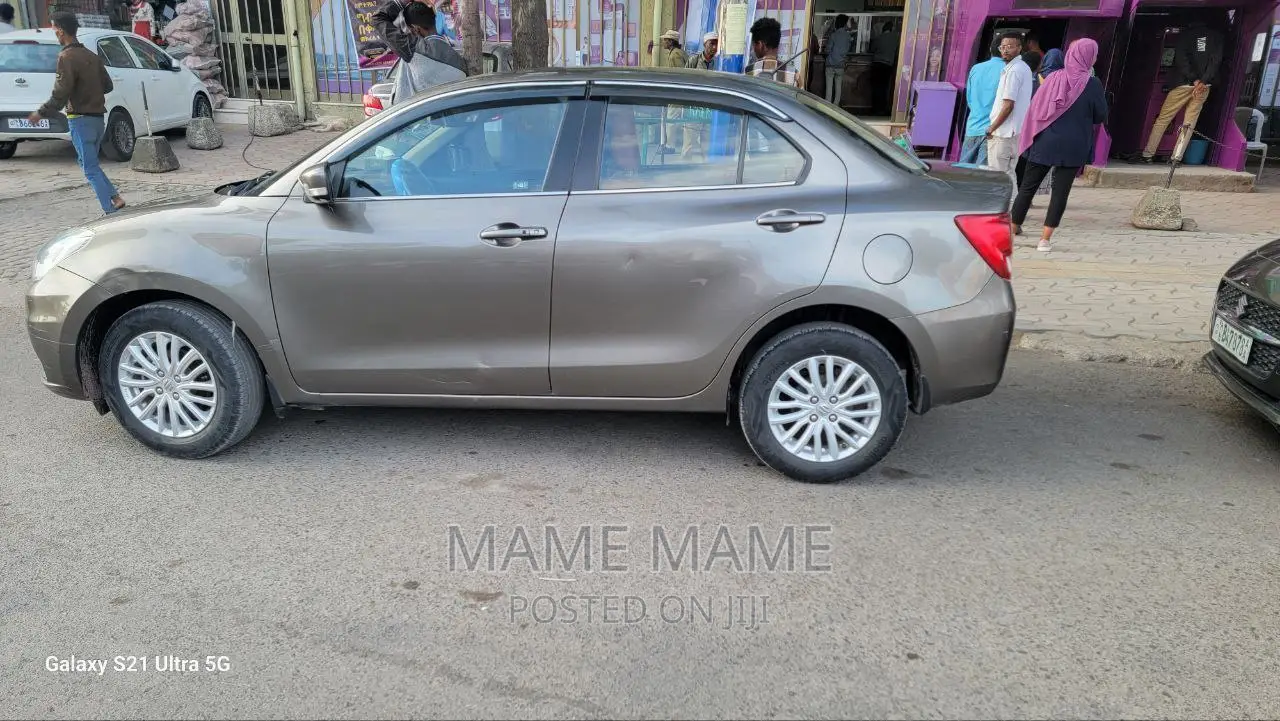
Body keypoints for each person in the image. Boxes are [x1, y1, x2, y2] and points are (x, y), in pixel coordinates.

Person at [1010, 38, 1107, 252]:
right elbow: (1100, 115)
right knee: (1060, 193)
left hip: (1045, 141)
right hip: (1074, 145)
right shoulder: (1093, 84)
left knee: (1027, 187)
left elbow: (1036, 107)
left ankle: (1012, 228)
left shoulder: (1053, 78)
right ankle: (1044, 240)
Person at [29, 13, 124, 215]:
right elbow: (107, 85)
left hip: (80, 120)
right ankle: (115, 197)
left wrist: (40, 113)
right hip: (98, 120)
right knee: (89, 164)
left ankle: (110, 211)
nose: (54, 32)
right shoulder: (92, 56)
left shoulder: (66, 57)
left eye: (54, 28)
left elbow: (60, 94)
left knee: (89, 169)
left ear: (61, 31)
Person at [1128, 21, 1222, 163]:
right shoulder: (1216, 37)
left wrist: (1194, 79)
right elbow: (1215, 61)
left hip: (1182, 84)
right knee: (1189, 123)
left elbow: (1181, 59)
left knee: (1163, 119)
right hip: (1204, 87)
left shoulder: (1186, 35)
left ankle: (1148, 154)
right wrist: (1203, 81)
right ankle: (1176, 158)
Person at [371, 0, 467, 105]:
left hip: (416, 118)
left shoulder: (413, 48)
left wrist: (402, 2)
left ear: (416, 29)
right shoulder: (458, 59)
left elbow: (378, 19)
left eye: (409, 29)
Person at [985, 31, 1033, 196]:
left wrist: (992, 127)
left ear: (1019, 48)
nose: (1005, 50)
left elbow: (1008, 105)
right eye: (1003, 47)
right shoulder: (1023, 68)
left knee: (998, 175)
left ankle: (1000, 209)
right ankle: (1012, 208)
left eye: (1010, 47)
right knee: (1008, 173)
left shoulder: (1013, 71)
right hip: (1015, 131)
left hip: (1004, 132)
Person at [958, 39, 1005, 166]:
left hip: (973, 125)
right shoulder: (1008, 71)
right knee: (982, 174)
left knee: (963, 170)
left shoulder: (976, 68)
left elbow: (969, 98)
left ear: (991, 49)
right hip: (994, 130)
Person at [746, 17, 798, 86]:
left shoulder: (750, 71)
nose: (753, 49)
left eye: (754, 44)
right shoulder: (794, 74)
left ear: (761, 45)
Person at [868, 22, 899, 115]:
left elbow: (872, 49)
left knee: (876, 87)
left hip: (877, 64)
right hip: (887, 65)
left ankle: (875, 108)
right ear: (891, 28)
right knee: (885, 87)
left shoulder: (878, 38)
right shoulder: (896, 37)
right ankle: (882, 108)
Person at [824, 15, 852, 106]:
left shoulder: (833, 35)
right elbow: (847, 50)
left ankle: (828, 105)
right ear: (844, 24)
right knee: (838, 86)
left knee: (829, 87)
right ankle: (836, 105)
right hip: (841, 65)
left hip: (831, 64)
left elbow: (828, 50)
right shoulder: (848, 36)